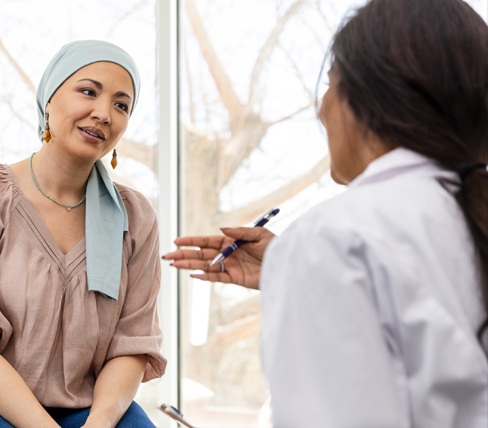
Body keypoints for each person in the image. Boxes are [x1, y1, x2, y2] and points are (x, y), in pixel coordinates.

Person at [163, 0, 488, 426]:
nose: (321, 109)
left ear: (367, 96)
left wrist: (309, 263)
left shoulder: (334, 237)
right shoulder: (461, 213)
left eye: (331, 85)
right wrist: (289, 265)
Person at [0, 40, 166, 428]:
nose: (103, 113)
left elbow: (131, 344)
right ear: (49, 99)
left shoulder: (136, 218)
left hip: (86, 407)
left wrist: (98, 424)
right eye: (88, 91)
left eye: (121, 105)